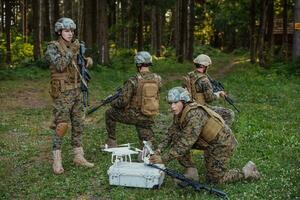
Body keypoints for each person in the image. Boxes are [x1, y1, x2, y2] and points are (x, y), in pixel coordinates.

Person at [150, 87, 260, 184]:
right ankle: (191, 172)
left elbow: (184, 144)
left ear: (184, 102)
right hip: (208, 141)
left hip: (221, 144)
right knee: (176, 137)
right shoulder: (180, 112)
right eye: (170, 103)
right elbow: (171, 132)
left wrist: (163, 159)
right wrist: (159, 150)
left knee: (215, 179)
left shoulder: (194, 115)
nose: (172, 107)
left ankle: (247, 172)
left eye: (175, 103)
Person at [45, 17, 94, 175]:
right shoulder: (53, 47)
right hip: (62, 93)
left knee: (78, 124)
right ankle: (57, 159)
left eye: (72, 31)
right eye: (66, 31)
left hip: (77, 90)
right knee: (62, 126)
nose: (70, 33)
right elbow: (60, 65)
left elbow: (77, 64)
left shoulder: (76, 46)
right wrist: (73, 50)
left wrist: (86, 61)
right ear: (59, 32)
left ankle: (78, 156)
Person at [105, 51, 162, 148]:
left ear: (138, 64)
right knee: (145, 132)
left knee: (109, 113)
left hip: (133, 115)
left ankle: (112, 142)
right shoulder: (158, 79)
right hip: (148, 115)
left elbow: (123, 102)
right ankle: (147, 150)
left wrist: (112, 102)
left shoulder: (133, 80)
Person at [182, 54, 234, 125]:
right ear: (204, 66)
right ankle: (218, 131)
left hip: (188, 106)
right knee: (229, 113)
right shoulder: (204, 80)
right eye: (207, 66)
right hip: (200, 108)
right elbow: (209, 98)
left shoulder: (190, 75)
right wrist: (218, 94)